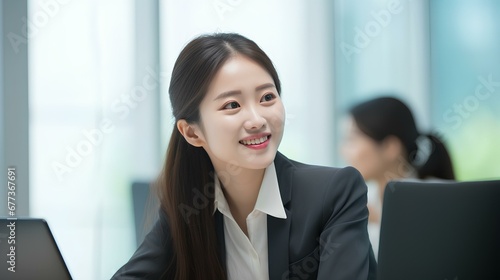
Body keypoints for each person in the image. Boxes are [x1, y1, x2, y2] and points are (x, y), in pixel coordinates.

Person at [112, 33, 376, 280]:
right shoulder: (187, 207)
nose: (257, 119)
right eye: (232, 105)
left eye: (267, 97)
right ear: (191, 133)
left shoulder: (334, 193)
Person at [340, 96, 455, 256]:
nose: (343, 151)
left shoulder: (440, 198)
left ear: (390, 147)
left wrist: (380, 219)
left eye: (352, 139)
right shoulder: (362, 202)